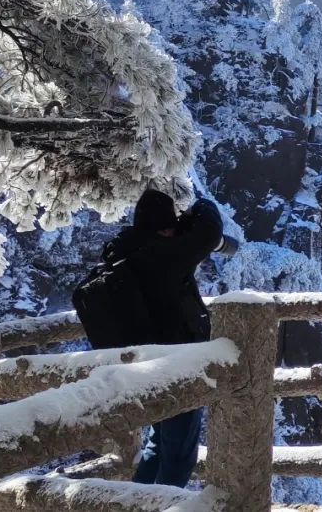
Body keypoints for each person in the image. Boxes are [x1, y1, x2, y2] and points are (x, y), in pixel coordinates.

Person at [101, 189, 238, 488]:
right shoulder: (163, 255)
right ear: (165, 227)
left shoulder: (125, 248)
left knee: (158, 444)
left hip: (141, 363)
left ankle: (137, 505)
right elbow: (208, 232)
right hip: (176, 364)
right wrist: (201, 206)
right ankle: (164, 504)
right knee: (178, 454)